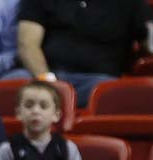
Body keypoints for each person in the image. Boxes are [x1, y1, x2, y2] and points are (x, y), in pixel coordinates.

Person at [14, 0, 152, 107]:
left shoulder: (131, 2)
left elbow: (149, 41)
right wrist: (47, 81)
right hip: (43, 76)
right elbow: (27, 44)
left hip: (96, 81)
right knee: (12, 83)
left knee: (112, 92)